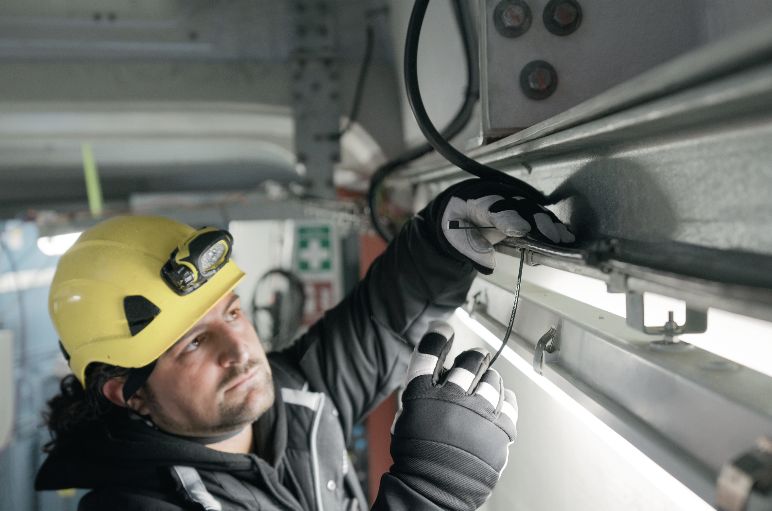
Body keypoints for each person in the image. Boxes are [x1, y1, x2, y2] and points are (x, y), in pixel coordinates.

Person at [35, 179, 573, 510]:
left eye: (231, 311)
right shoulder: (136, 509)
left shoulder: (293, 397)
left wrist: (448, 238)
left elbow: (382, 323)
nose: (238, 348)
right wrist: (431, 493)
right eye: (192, 342)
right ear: (126, 393)